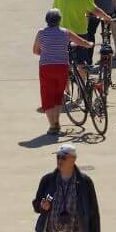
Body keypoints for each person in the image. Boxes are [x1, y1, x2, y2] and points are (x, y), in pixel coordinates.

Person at [32, 8, 88, 136]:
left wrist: (46, 53)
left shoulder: (41, 33)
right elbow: (82, 42)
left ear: (47, 20)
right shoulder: (65, 32)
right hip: (62, 67)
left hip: (46, 67)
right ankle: (57, 122)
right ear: (59, 20)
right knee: (58, 95)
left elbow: (35, 50)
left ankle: (52, 126)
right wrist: (89, 44)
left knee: (47, 96)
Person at [52, 0, 111, 78]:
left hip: (62, 33)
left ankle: (67, 92)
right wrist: (107, 17)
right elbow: (95, 10)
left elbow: (54, 11)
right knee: (81, 63)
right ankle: (84, 89)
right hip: (79, 33)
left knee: (65, 64)